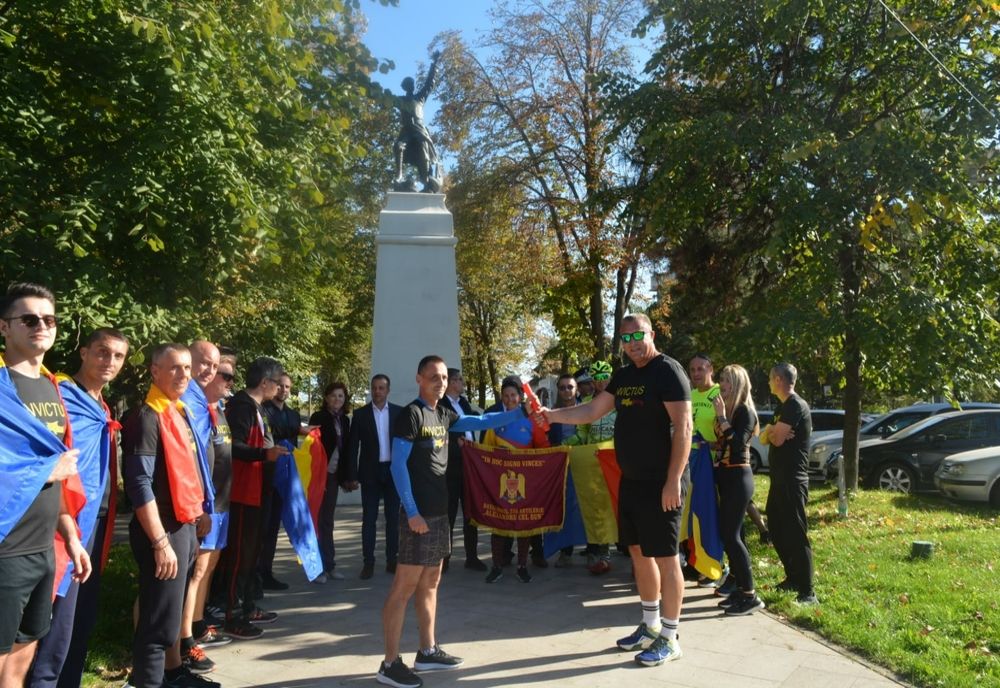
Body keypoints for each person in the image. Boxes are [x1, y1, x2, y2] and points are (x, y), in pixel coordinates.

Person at [542, 313, 691, 667]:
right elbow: (592, 410)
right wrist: (551, 416)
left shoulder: (668, 371)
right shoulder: (623, 377)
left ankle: (670, 637)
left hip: (662, 482)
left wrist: (673, 481)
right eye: (626, 339)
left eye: (638, 336)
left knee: (668, 559)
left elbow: (683, 429)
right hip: (632, 480)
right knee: (639, 554)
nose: (633, 344)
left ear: (651, 334)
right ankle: (651, 625)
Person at [377, 356, 532, 688]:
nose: (440, 382)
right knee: (403, 588)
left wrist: (520, 413)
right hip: (417, 516)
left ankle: (427, 650)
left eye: (444, 377)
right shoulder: (411, 414)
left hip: (439, 513)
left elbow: (480, 420)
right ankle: (389, 663)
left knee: (431, 583)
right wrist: (412, 512)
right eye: (433, 376)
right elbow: (397, 466)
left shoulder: (444, 413)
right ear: (419, 378)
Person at [0, 283, 89, 688]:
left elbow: (63, 475)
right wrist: (44, 472)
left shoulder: (53, 387)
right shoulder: (3, 388)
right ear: (5, 327)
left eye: (49, 319)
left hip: (43, 547)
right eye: (29, 319)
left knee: (25, 651)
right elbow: (50, 468)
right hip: (7, 547)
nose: (41, 326)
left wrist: (70, 535)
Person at [28, 328, 129, 688]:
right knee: (57, 620)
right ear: (84, 352)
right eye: (102, 352)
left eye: (118, 356)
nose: (110, 362)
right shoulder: (61, 395)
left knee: (81, 618)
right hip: (64, 521)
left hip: (97, 521)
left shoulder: (101, 404)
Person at [121, 343, 211, 688]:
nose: (184, 375)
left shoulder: (178, 411)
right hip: (162, 530)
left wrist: (201, 510)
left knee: (169, 619)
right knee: (158, 625)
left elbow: (191, 468)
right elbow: (139, 482)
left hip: (183, 525)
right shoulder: (147, 416)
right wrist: (160, 541)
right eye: (174, 368)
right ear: (154, 371)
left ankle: (171, 675)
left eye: (187, 368)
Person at [220, 357, 289, 639]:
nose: (280, 389)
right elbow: (233, 446)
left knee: (252, 552)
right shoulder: (240, 406)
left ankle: (248, 606)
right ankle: (231, 614)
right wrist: (264, 454)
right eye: (276, 383)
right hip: (242, 491)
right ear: (264, 383)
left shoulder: (258, 408)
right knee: (239, 554)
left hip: (259, 489)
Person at [186, 355, 237, 656]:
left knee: (210, 567)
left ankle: (198, 622)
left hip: (223, 502)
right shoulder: (197, 412)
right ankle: (188, 634)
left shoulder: (219, 411)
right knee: (198, 570)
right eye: (224, 375)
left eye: (230, 376)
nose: (229, 381)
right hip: (208, 505)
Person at [482, 377, 550, 584]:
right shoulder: (495, 420)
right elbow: (485, 450)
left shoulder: (531, 420)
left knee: (524, 524)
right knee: (498, 522)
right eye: (506, 396)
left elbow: (543, 447)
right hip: (500, 480)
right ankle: (497, 566)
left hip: (525, 480)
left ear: (520, 397)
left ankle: (522, 566)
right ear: (502, 398)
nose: (510, 399)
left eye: (514, 395)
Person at [710, 364, 765, 616]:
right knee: (733, 536)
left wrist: (721, 417)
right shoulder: (731, 411)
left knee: (731, 536)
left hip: (739, 477)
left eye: (728, 380)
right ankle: (741, 588)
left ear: (739, 384)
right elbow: (722, 442)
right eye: (721, 379)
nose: (722, 384)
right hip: (725, 476)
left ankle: (750, 595)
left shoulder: (745, 411)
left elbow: (739, 441)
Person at [760, 362, 817, 605]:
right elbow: (765, 437)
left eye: (772, 378)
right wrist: (773, 429)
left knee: (795, 532)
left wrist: (774, 433)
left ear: (780, 380)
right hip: (779, 479)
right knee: (776, 527)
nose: (769, 382)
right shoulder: (782, 408)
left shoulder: (794, 405)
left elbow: (779, 440)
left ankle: (808, 591)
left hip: (794, 480)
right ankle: (792, 577)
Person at [346, 374, 402, 580]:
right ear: (371, 389)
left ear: (388, 390)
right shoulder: (360, 415)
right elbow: (353, 447)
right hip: (369, 472)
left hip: (393, 471)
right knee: (369, 519)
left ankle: (392, 560)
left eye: (381, 388)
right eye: (374, 388)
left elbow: (405, 444)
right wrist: (352, 475)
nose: (377, 391)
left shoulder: (399, 412)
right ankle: (368, 562)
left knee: (393, 518)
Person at [259, 372, 307, 590]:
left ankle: (266, 572)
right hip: (265, 474)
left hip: (286, 475)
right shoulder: (263, 409)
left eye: (288, 387)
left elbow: (294, 438)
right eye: (281, 386)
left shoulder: (294, 415)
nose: (284, 390)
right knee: (262, 526)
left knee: (274, 527)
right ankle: (254, 575)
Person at [438, 368, 486, 572]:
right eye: (457, 379)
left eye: (461, 378)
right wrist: (452, 441)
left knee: (470, 513)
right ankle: (444, 559)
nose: (461, 382)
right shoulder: (441, 404)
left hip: (469, 466)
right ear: (448, 383)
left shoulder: (463, 403)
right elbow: (439, 431)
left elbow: (475, 419)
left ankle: (472, 556)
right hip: (451, 468)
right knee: (448, 514)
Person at [308, 381, 355, 582]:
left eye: (341, 396)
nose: (337, 399)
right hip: (319, 474)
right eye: (334, 395)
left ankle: (330, 564)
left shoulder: (345, 420)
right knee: (317, 519)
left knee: (328, 520)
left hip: (334, 475)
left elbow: (347, 451)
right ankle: (318, 568)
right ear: (326, 398)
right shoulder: (318, 418)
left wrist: (348, 477)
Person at [393, 51, 442, 192]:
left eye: (412, 84)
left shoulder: (419, 98)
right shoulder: (400, 100)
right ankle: (399, 177)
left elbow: (429, 83)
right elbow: (386, 100)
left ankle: (427, 182)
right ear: (405, 87)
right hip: (407, 131)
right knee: (398, 146)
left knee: (423, 150)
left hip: (419, 130)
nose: (411, 86)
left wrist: (434, 64)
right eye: (409, 84)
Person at [548, 372, 579, 568]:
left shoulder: (589, 408)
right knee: (565, 508)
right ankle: (565, 552)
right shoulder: (552, 414)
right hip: (562, 466)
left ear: (576, 389)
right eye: (562, 387)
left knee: (588, 506)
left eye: (570, 387)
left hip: (586, 464)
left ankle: (596, 551)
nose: (566, 391)